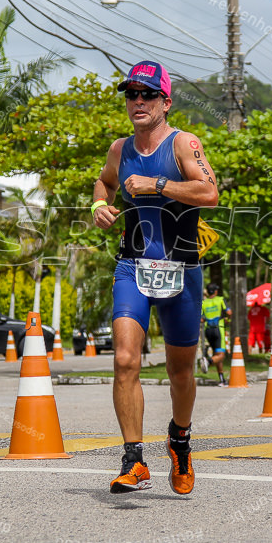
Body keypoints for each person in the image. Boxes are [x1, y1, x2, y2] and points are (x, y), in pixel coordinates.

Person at [91, 60, 218, 495]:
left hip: (181, 268)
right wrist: (98, 206)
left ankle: (179, 441)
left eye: (147, 94)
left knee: (180, 371)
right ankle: (134, 460)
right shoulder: (119, 148)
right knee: (125, 359)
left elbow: (210, 193)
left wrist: (159, 185)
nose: (138, 101)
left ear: (166, 101)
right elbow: (104, 183)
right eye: (131, 94)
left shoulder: (185, 143)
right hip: (132, 265)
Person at [201, 283, 231, 385]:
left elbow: (201, 319)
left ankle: (222, 380)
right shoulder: (220, 299)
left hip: (208, 331)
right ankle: (208, 362)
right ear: (216, 291)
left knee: (217, 354)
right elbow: (229, 312)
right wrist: (227, 319)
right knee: (221, 355)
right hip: (219, 329)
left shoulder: (204, 302)